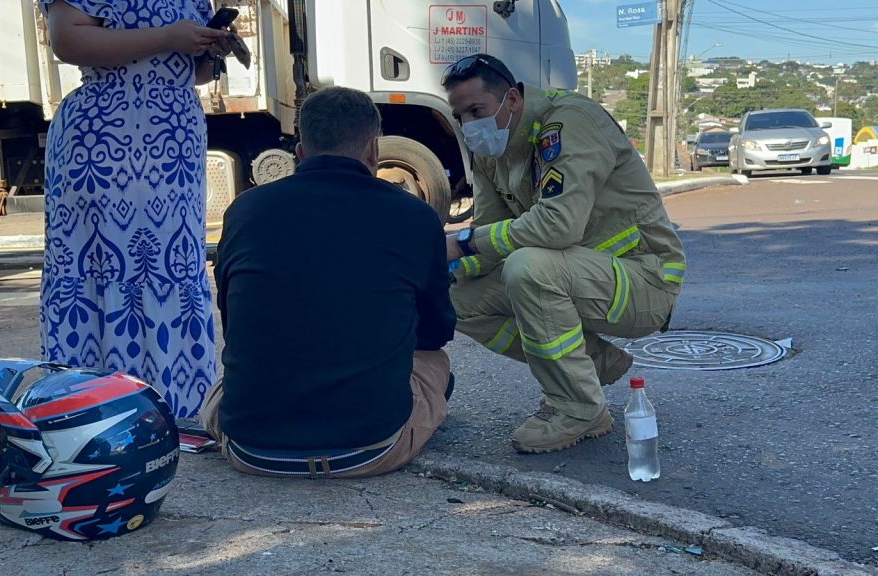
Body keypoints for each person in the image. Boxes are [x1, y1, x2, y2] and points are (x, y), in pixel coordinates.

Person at [202, 87, 456, 478]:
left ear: (300, 152)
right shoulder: (415, 216)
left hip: (251, 447)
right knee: (434, 362)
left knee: (225, 383)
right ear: (374, 151)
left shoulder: (244, 211)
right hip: (369, 449)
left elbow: (235, 322)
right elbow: (435, 330)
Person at [441, 54, 686, 454]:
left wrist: (464, 242)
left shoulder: (569, 122)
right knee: (457, 298)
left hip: (644, 280)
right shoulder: (491, 151)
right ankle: (588, 366)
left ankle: (579, 408)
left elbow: (558, 225)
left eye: (476, 110)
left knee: (528, 267)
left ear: (513, 100)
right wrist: (442, 266)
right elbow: (489, 234)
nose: (469, 124)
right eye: (460, 115)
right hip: (576, 276)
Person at [39, 0, 232, 417]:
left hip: (173, 134)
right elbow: (67, 39)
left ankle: (173, 406)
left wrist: (208, 50)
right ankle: (92, 409)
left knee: (171, 266)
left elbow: (193, 73)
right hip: (106, 136)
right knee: (103, 266)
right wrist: (168, 36)